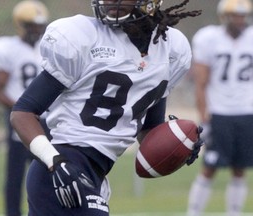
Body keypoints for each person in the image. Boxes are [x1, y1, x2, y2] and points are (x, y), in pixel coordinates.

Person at [10, 0, 202, 215]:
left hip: (96, 172)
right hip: (62, 167)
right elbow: (22, 113)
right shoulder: (84, 36)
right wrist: (54, 161)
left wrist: (179, 143)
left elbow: (149, 131)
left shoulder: (171, 49)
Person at [186, 0, 253, 215]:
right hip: (220, 113)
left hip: (247, 112)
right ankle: (193, 213)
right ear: (224, 16)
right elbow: (201, 83)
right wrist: (205, 119)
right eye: (236, 16)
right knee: (209, 168)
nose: (240, 20)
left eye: (243, 16)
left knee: (240, 169)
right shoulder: (209, 38)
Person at [0, 1, 51, 215]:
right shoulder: (7, 48)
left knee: (48, 170)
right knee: (15, 176)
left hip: (46, 119)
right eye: (31, 25)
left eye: (39, 25)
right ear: (20, 25)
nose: (36, 30)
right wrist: (23, 109)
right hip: (19, 119)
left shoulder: (49, 45)